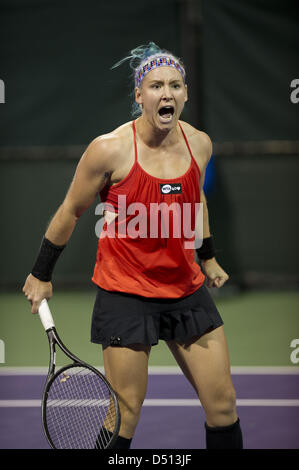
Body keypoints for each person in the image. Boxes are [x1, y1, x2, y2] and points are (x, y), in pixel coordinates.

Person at [22, 42, 243, 450]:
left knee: (224, 405)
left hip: (185, 289)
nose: (167, 93)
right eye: (156, 85)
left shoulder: (200, 144)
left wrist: (207, 254)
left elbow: (196, 199)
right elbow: (71, 210)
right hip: (125, 293)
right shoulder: (109, 149)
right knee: (125, 411)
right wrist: (41, 273)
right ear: (139, 95)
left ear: (186, 94)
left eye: (175, 85)